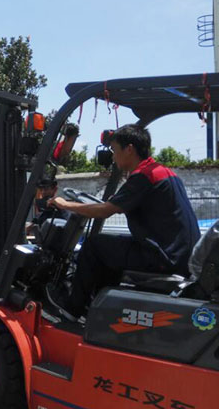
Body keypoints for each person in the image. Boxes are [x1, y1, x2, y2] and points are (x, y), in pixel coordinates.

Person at [45, 124, 200, 321]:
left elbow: (104, 211)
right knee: (110, 247)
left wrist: (64, 204)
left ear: (129, 149)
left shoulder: (144, 176)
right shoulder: (162, 172)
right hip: (176, 254)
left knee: (94, 246)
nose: (113, 157)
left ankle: (72, 308)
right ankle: (99, 307)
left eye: (114, 150)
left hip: (163, 257)